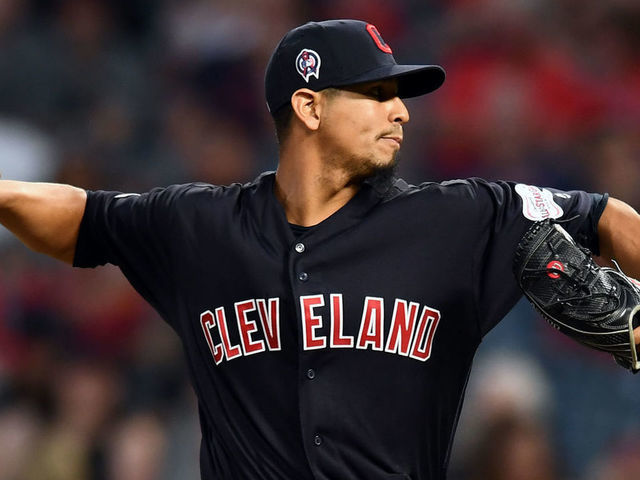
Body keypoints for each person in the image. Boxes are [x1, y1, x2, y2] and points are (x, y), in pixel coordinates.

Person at [0, 19, 639, 480]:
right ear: (309, 106)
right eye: (378, 95)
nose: (402, 114)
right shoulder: (200, 226)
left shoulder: (458, 218)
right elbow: (83, 218)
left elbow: (605, 215)